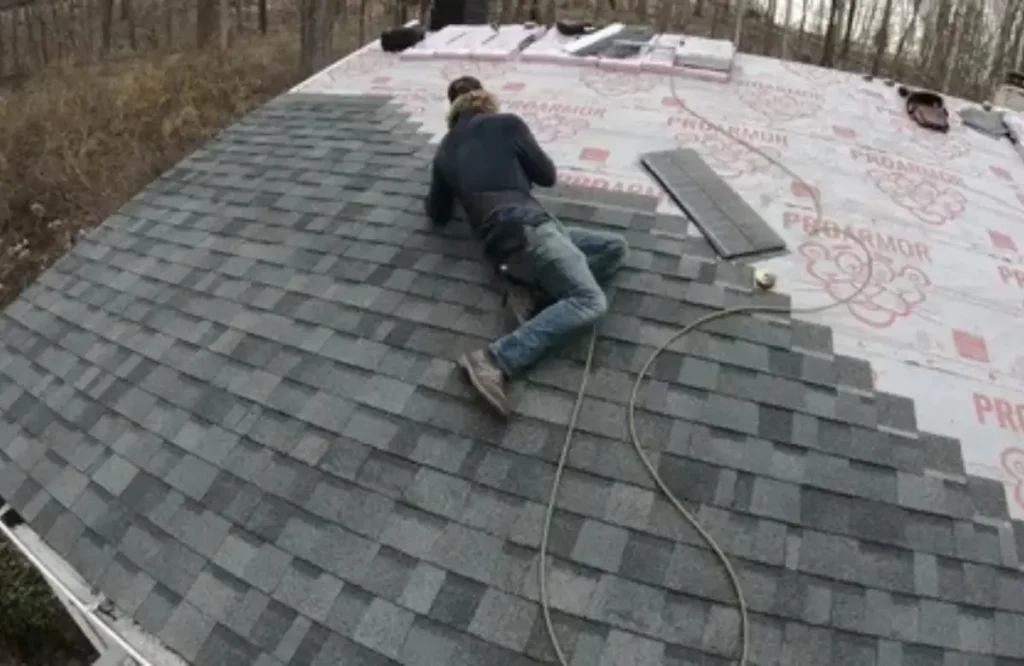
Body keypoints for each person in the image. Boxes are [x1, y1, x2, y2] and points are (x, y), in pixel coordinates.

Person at [425, 77, 628, 418]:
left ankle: (536, 291)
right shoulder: (507, 124)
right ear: (487, 101)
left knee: (614, 247)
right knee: (590, 301)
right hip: (528, 230)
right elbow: (547, 175)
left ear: (452, 111)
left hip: (522, 236)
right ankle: (494, 359)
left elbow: (438, 213)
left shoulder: (444, 150)